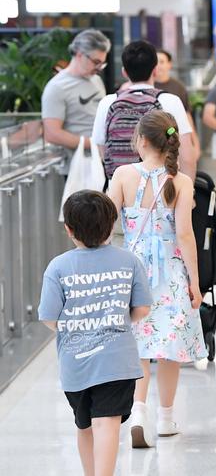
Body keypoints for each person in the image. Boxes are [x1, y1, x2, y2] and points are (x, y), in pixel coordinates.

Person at [109, 110, 207, 448]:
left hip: (132, 271)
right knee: (168, 347)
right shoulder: (179, 181)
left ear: (141, 141)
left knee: (136, 345)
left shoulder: (123, 174)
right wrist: (195, 282)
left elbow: (107, 224)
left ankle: (138, 411)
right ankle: (165, 418)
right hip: (171, 272)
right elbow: (185, 235)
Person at [38, 190, 152, 475]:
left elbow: (49, 317)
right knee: (107, 423)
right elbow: (142, 310)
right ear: (113, 223)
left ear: (69, 229)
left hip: (75, 364)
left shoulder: (58, 267)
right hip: (117, 361)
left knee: (85, 424)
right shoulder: (129, 261)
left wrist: (74, 325)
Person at [92, 40, 196, 181]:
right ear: (155, 70)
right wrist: (189, 192)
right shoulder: (171, 101)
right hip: (162, 188)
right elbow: (187, 156)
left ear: (124, 72)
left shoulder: (107, 102)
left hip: (120, 189)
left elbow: (102, 152)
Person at [42, 29, 110, 162]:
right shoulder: (57, 87)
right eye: (96, 62)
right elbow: (51, 134)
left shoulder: (96, 80)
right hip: (77, 166)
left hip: (101, 160)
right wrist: (93, 143)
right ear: (79, 54)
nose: (99, 68)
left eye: (102, 64)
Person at [155, 49, 200, 160]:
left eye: (162, 62)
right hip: (153, 138)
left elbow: (187, 115)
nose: (158, 66)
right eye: (156, 62)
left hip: (175, 138)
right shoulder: (149, 85)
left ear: (169, 65)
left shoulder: (178, 87)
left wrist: (195, 142)